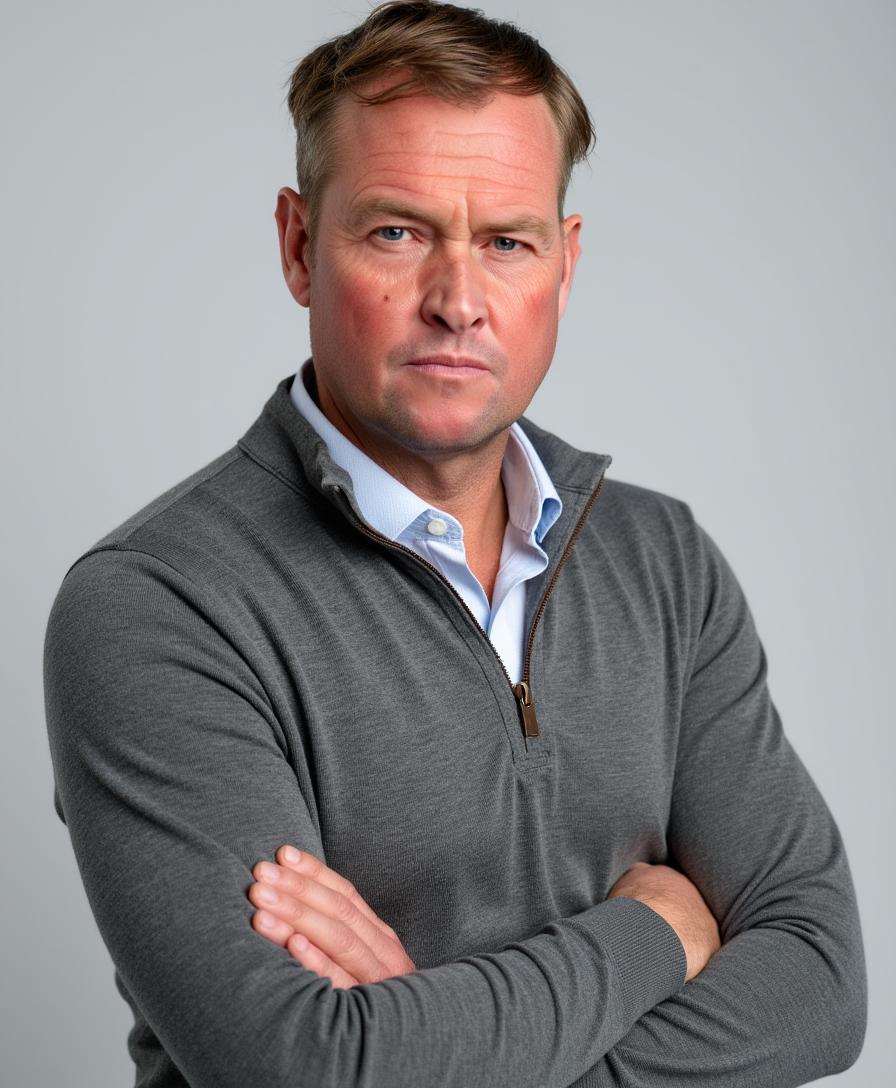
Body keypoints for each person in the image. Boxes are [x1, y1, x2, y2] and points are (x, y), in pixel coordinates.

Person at [43, 2, 866, 1085]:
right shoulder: (159, 604)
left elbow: (821, 986)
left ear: (563, 263)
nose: (458, 302)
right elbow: (302, 1069)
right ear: (299, 246)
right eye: (398, 232)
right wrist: (657, 930)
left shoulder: (662, 562)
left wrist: (424, 1043)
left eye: (507, 242)